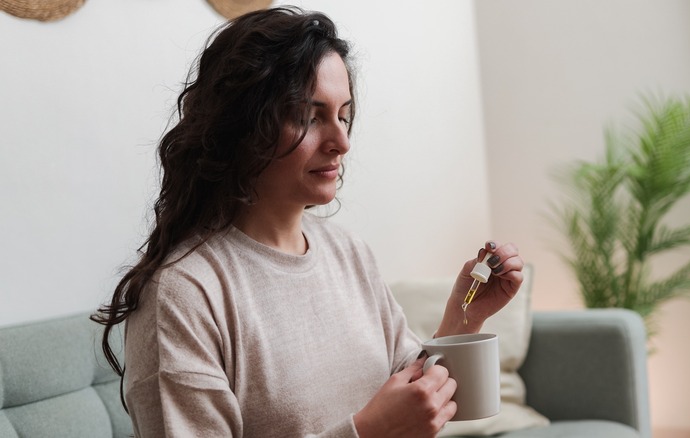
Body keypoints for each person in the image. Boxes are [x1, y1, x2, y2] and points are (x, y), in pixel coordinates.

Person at [92, 6, 525, 438]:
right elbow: (384, 425)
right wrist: (366, 434)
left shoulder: (346, 251)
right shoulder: (182, 294)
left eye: (343, 115)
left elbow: (410, 397)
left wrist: (464, 316)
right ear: (243, 125)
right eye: (309, 116)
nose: (341, 142)